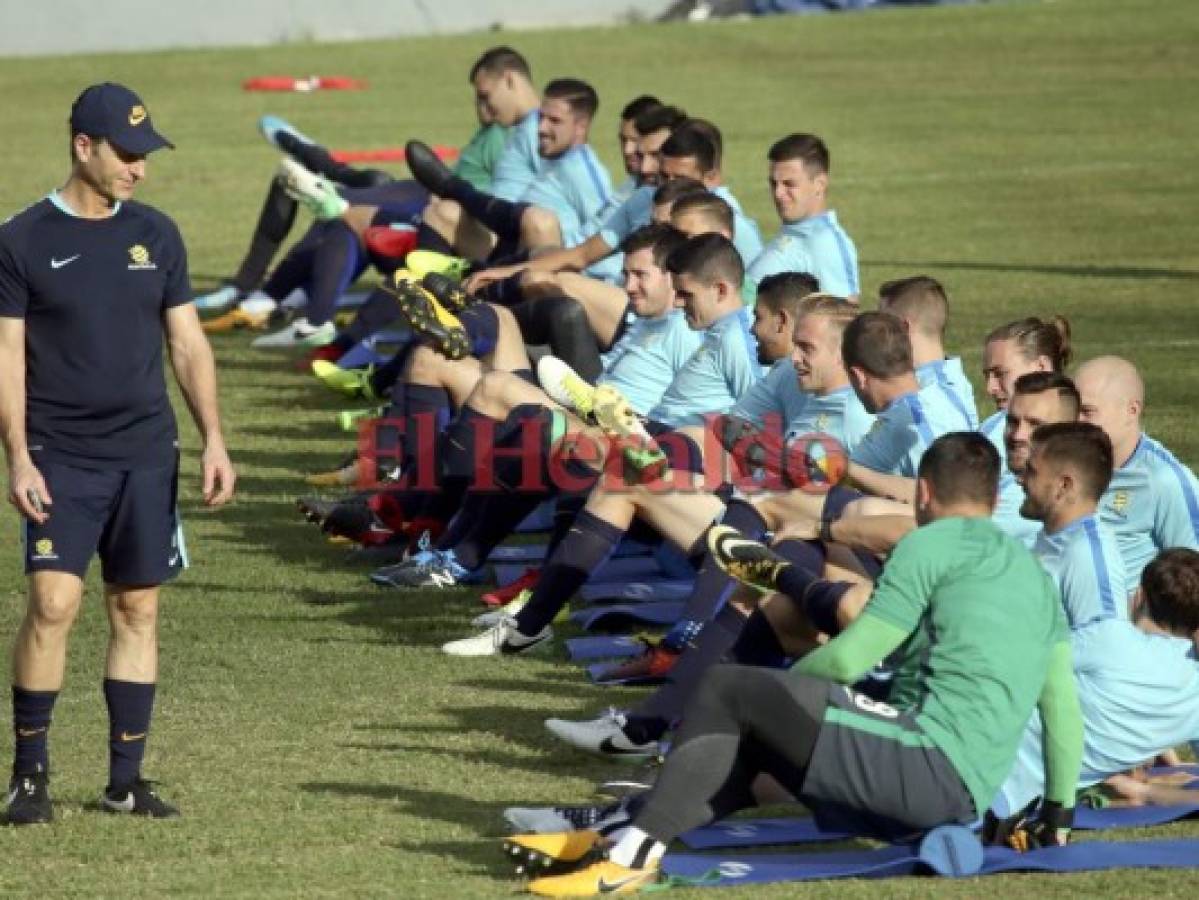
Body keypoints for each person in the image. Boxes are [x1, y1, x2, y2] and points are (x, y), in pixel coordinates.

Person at [509, 433, 1082, 895]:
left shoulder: (928, 544)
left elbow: (851, 656)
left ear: (923, 494)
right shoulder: (1035, 576)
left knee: (730, 688)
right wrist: (1058, 815)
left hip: (920, 768)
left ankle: (630, 860)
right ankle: (623, 833)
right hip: (954, 797)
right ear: (992, 501)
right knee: (753, 751)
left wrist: (777, 699)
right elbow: (1061, 708)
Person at [0, 82, 236, 825]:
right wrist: (18, 456)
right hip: (60, 453)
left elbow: (187, 343)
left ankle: (124, 782)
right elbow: (6, 356)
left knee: (137, 607)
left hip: (146, 452)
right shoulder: (21, 239)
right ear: (84, 147)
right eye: (128, 154)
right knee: (52, 603)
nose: (140, 168)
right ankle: (29, 778)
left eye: (146, 155)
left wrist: (214, 438)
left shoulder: (157, 235)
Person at [1074, 356, 1199, 582]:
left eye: (1087, 411)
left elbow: (1192, 574)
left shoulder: (1164, 479)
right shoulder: (1068, 464)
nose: (1075, 421)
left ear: (1131, 411)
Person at [745, 133, 859, 301]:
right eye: (773, 184)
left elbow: (843, 312)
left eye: (789, 184)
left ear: (819, 185)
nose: (778, 193)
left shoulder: (824, 242)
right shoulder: (796, 230)